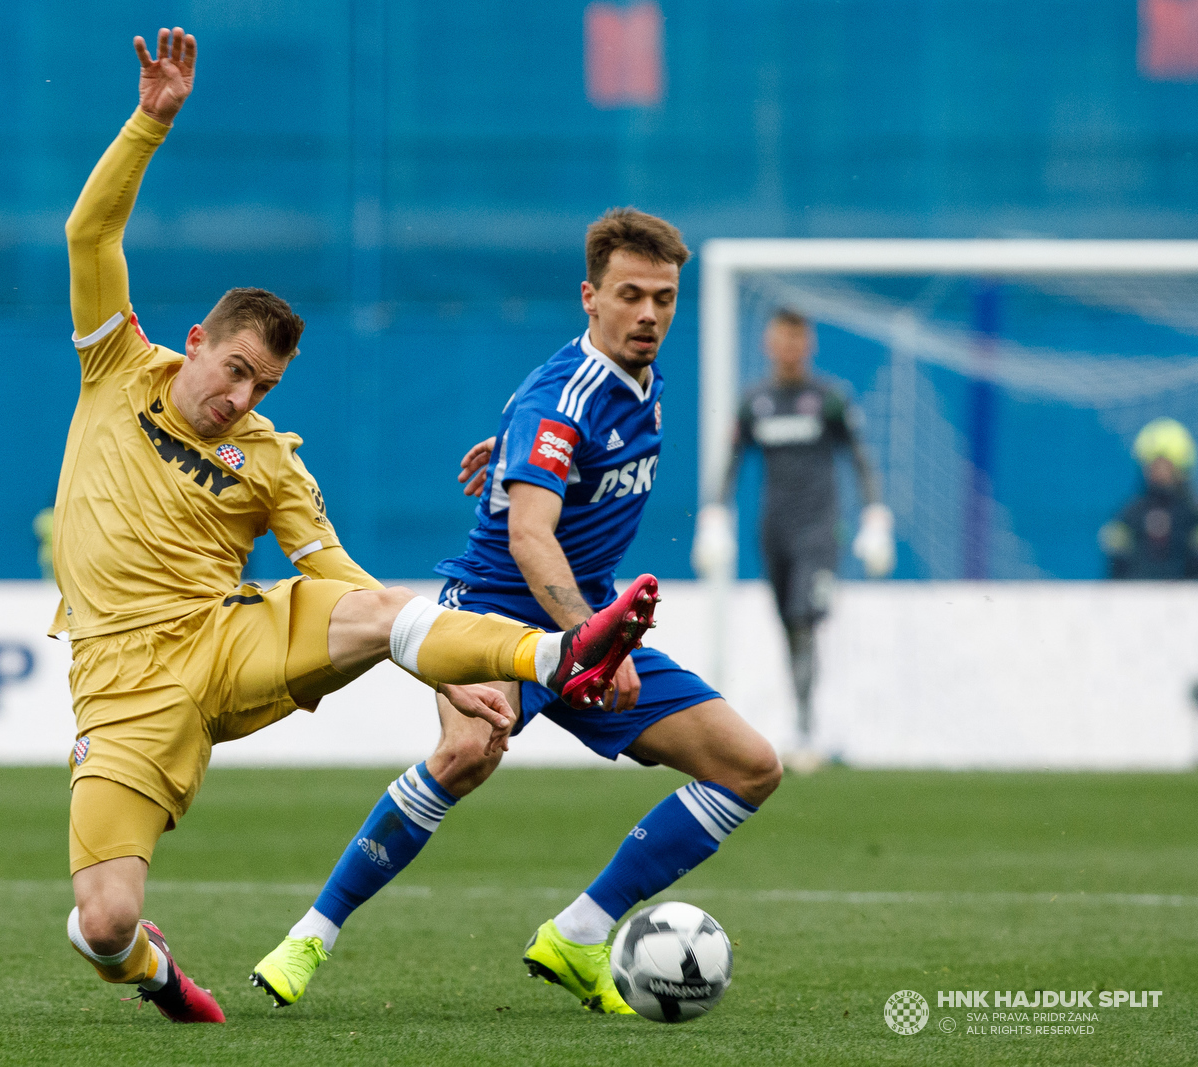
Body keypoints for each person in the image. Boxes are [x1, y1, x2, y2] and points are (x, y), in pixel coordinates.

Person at [51, 28, 659, 1025]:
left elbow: (330, 566)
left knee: (379, 610)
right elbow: (88, 236)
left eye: (263, 384)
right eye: (233, 369)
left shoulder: (269, 456)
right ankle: (154, 973)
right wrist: (150, 122)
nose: (238, 396)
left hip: (223, 638)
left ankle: (557, 652)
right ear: (196, 341)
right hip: (120, 686)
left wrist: (443, 663)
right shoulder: (117, 366)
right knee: (106, 918)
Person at [250, 208, 781, 1016]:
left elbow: (554, 462)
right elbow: (531, 535)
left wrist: (506, 451)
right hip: (499, 612)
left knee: (750, 767)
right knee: (469, 748)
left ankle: (579, 931)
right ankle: (310, 935)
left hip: (586, 608)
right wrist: (594, 645)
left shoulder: (641, 384)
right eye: (630, 295)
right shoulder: (563, 397)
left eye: (664, 298)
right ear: (589, 298)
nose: (649, 314)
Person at [692, 308, 892, 768]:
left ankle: (805, 729)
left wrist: (875, 515)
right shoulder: (754, 401)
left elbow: (860, 459)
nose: (788, 347)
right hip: (774, 531)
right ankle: (802, 718)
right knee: (788, 625)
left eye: (797, 339)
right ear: (768, 343)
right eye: (780, 337)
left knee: (805, 620)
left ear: (809, 344)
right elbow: (731, 463)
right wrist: (715, 517)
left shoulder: (829, 399)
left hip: (819, 531)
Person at [1100, 417, 1198, 579]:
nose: (1158, 474)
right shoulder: (1129, 515)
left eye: (1165, 467)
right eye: (1153, 466)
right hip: (1136, 599)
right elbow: (1116, 569)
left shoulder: (1191, 515)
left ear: (1180, 469)